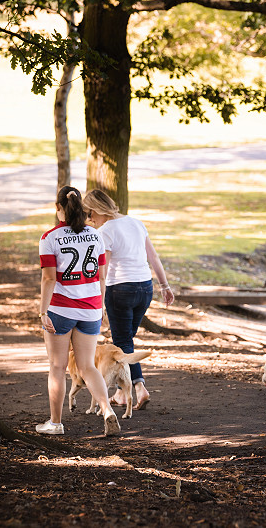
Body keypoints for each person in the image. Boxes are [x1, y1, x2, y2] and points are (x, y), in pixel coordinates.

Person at [36, 186, 120, 436]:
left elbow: (49, 280)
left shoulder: (49, 238)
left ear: (58, 208)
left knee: (57, 367)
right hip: (91, 309)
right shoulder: (96, 236)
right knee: (87, 366)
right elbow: (101, 276)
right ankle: (107, 410)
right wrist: (101, 306)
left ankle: (55, 423)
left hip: (61, 311)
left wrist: (42, 312)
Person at [82, 189, 175, 411]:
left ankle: (139, 387)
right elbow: (153, 257)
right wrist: (165, 286)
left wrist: (99, 302)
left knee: (123, 342)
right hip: (145, 289)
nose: (88, 219)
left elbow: (102, 272)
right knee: (126, 340)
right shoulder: (135, 222)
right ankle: (122, 393)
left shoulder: (104, 231)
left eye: (88, 213)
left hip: (120, 290)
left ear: (95, 210)